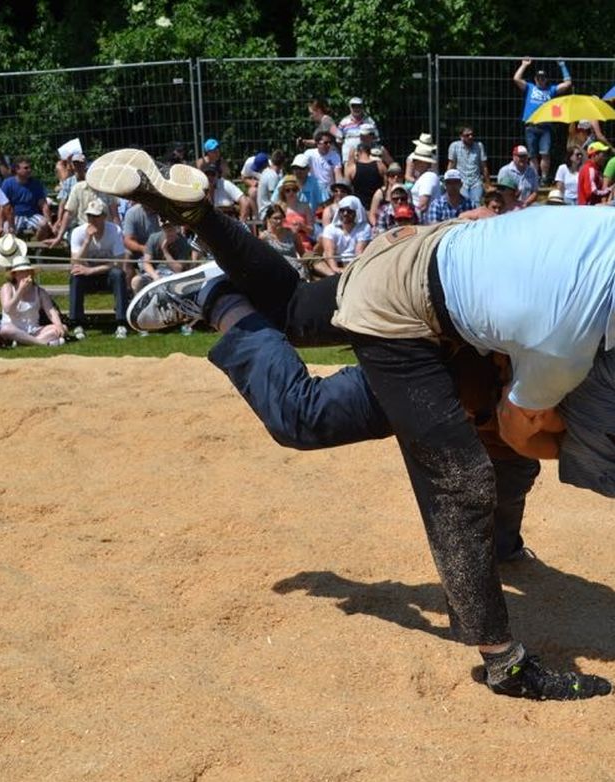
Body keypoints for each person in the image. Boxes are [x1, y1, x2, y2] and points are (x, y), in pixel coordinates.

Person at [87, 147, 615, 701]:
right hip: (409, 314)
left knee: (293, 311)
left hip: (434, 257)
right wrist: (562, 439)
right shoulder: (565, 341)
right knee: (457, 476)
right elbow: (517, 425)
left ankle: (201, 219)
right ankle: (503, 662)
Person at [68, 198, 128, 340]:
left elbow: (118, 263)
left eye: (96, 216)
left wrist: (91, 270)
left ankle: (121, 323)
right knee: (75, 275)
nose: (92, 219)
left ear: (104, 217)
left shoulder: (115, 231)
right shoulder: (78, 232)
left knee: (118, 274)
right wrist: (87, 241)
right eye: (89, 216)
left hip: (106, 275)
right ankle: (77, 323)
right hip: (86, 276)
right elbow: (75, 261)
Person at [513, 59, 572, 183]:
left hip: (546, 126)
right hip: (531, 125)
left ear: (546, 79)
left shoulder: (551, 89)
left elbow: (567, 84)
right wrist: (524, 65)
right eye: (538, 78)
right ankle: (535, 177)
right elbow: (516, 79)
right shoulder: (530, 87)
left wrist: (562, 65)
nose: (541, 80)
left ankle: (544, 178)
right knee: (532, 155)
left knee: (545, 153)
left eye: (543, 78)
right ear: (535, 79)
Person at [0, 255, 66, 346]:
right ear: (14, 275)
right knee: (5, 329)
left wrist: (58, 325)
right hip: (13, 329)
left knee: (62, 328)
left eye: (27, 271)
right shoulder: (7, 288)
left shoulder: (39, 291)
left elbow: (51, 311)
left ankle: (24, 341)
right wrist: (20, 291)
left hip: (34, 330)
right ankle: (42, 342)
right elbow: (8, 310)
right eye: (21, 272)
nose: (25, 274)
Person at [1, 157, 53, 240]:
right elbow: (3, 206)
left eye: (30, 167)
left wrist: (49, 222)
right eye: (26, 168)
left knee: (44, 224)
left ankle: (37, 244)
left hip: (32, 215)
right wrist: (1, 225)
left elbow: (43, 204)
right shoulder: (8, 183)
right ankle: (12, 249)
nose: (29, 170)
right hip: (15, 215)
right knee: (7, 229)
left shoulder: (36, 183)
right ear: (17, 169)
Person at [447, 126, 489, 204]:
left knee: (476, 204)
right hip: (462, 181)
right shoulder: (454, 146)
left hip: (476, 181)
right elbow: (451, 164)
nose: (470, 137)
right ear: (461, 136)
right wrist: (448, 181)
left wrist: (487, 183)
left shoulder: (479, 146)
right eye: (467, 135)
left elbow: (484, 166)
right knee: (463, 203)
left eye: (472, 134)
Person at [345, 128, 385, 211]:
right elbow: (386, 184)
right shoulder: (380, 166)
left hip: (359, 207)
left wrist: (351, 158)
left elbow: (347, 187)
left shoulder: (352, 169)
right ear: (369, 152)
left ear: (358, 152)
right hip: (377, 205)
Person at [337, 96, 379, 164]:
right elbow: (339, 141)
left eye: (358, 106)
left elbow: (376, 138)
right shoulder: (344, 122)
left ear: (362, 107)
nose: (356, 108)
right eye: (354, 106)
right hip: (348, 155)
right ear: (350, 107)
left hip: (366, 155)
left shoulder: (370, 121)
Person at [304, 131, 343, 202]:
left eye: (330, 143)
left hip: (329, 192)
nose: (328, 145)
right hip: (313, 190)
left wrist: (339, 191)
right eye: (325, 143)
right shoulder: (309, 154)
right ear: (318, 143)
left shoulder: (335, 155)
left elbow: (338, 174)